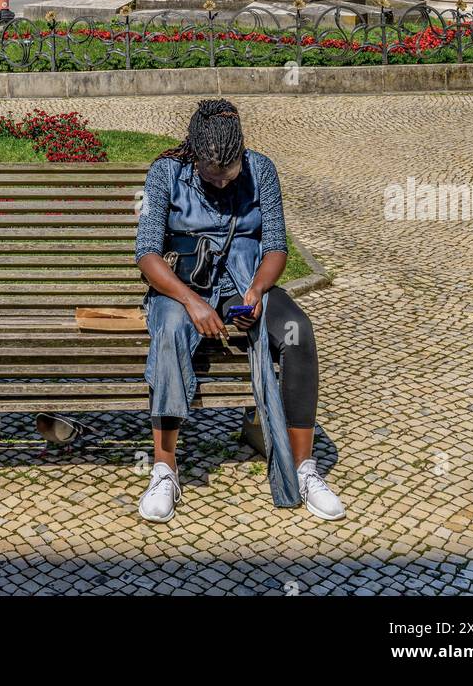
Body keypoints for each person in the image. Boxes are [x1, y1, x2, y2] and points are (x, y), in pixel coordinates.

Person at [135, 98, 344, 524]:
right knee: (171, 333)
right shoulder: (165, 173)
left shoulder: (261, 169)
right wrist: (191, 301)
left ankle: (304, 469)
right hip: (183, 287)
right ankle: (164, 468)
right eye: (215, 176)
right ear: (194, 153)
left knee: (297, 332)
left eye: (231, 175)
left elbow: (276, 247)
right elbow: (147, 255)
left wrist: (256, 292)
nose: (225, 183)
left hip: (245, 279)